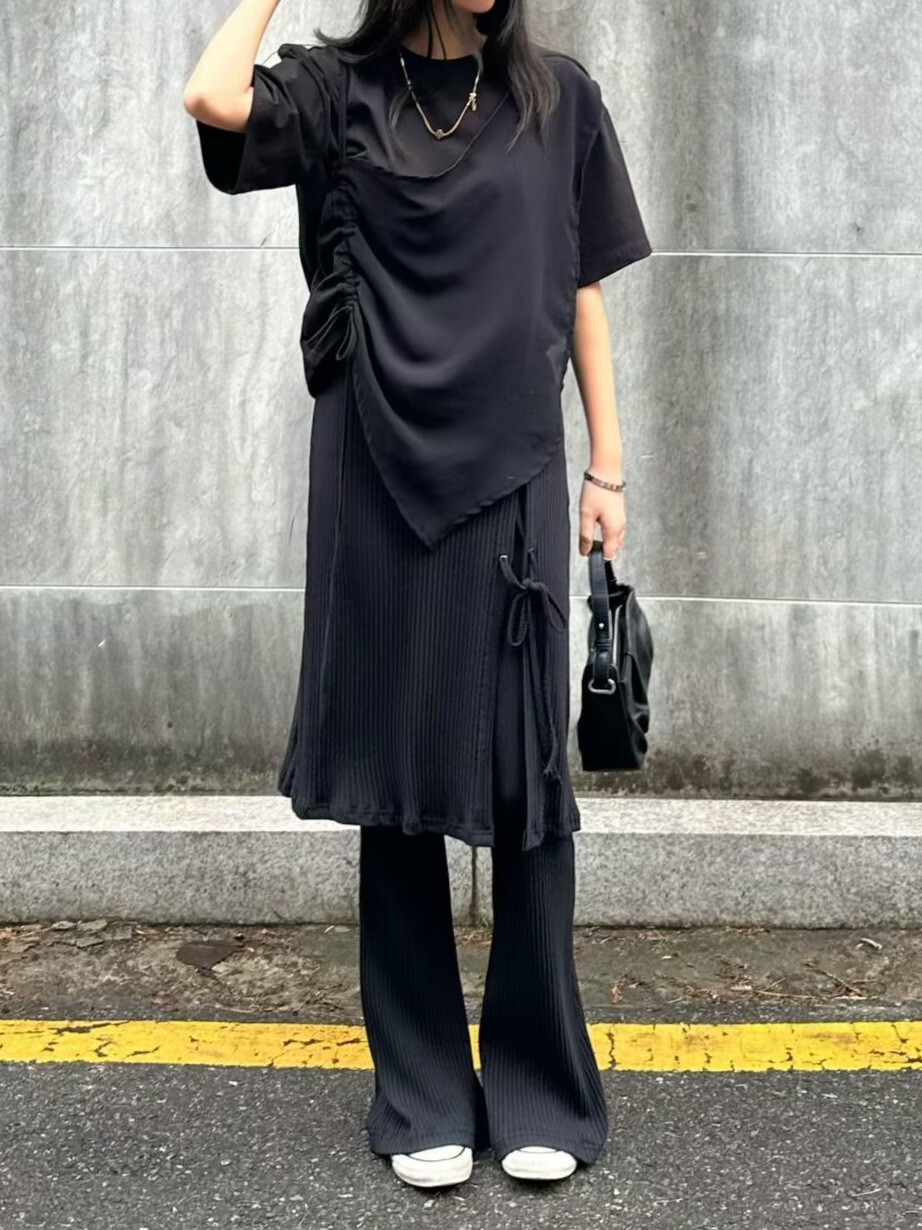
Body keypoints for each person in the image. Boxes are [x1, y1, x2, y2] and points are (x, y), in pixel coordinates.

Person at [183, 0, 651, 1190]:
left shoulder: (560, 99)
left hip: (515, 475)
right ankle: (423, 1092)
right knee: (394, 785)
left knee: (528, 781)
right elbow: (213, 98)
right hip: (376, 473)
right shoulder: (338, 90)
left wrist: (606, 467)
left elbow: (581, 284)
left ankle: (540, 1085)